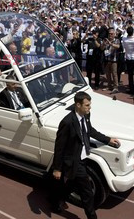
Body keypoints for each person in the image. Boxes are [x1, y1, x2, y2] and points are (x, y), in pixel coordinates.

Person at [51, 91, 120, 219]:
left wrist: (108, 140)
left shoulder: (86, 115)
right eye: (87, 105)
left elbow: (90, 130)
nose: (90, 107)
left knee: (70, 185)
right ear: (78, 105)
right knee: (87, 192)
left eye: (90, 104)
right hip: (72, 161)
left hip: (83, 159)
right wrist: (57, 168)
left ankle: (56, 202)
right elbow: (59, 147)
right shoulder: (67, 122)